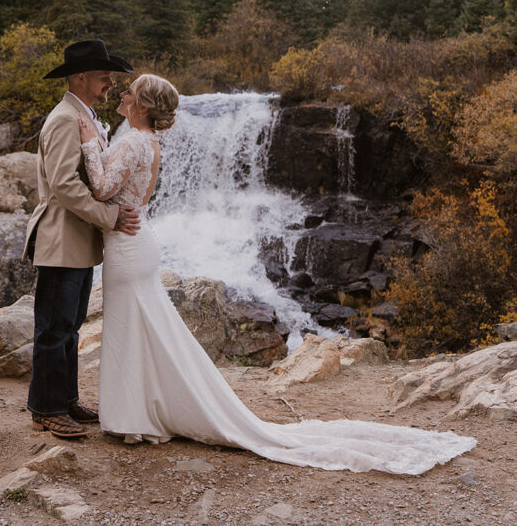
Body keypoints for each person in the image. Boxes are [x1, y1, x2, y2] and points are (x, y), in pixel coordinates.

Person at [77, 73, 477, 474]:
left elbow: (101, 188)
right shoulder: (149, 142)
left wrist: (89, 144)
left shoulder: (131, 140)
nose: (122, 93)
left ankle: (137, 414)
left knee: (131, 327)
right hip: (140, 238)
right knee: (146, 328)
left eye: (129, 90)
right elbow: (141, 198)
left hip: (128, 248)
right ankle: (143, 412)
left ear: (142, 105)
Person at [23, 39, 141, 439]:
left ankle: (66, 399)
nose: (110, 82)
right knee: (54, 328)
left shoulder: (82, 114)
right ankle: (47, 409)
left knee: (69, 327)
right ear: (80, 77)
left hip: (76, 239)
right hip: (60, 239)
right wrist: (110, 217)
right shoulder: (62, 119)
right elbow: (63, 185)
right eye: (105, 76)